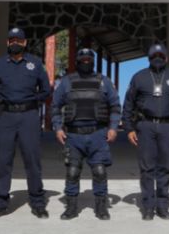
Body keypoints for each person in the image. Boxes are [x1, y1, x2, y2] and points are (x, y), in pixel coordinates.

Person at [0, 27, 52, 219]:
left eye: (19, 40)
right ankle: (0, 202)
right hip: (6, 116)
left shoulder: (35, 63)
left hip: (28, 116)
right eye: (11, 40)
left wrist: (32, 101)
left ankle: (38, 203)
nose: (15, 43)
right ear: (7, 42)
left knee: (32, 160)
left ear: (25, 43)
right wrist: (7, 102)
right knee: (2, 161)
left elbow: (46, 89)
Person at [51, 47, 121, 221]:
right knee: (73, 172)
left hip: (98, 134)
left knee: (99, 171)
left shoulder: (104, 81)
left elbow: (115, 106)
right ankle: (71, 208)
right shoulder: (67, 82)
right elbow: (55, 107)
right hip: (73, 136)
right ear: (78, 61)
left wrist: (113, 127)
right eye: (83, 60)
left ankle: (101, 208)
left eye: (89, 60)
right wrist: (58, 127)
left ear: (93, 61)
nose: (86, 62)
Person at [124, 42, 169, 220]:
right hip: (145, 126)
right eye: (154, 56)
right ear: (149, 58)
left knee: (165, 167)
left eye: (161, 56)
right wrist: (129, 128)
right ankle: (147, 206)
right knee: (146, 168)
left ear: (166, 58)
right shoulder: (139, 77)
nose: (158, 59)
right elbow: (128, 105)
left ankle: (162, 205)